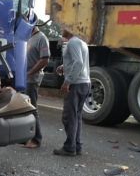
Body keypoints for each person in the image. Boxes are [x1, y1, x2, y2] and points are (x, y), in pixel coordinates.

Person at [53, 28, 90, 157]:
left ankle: (69, 147)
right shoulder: (81, 42)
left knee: (69, 117)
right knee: (77, 116)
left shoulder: (73, 42)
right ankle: (77, 145)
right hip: (84, 83)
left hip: (76, 84)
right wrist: (64, 67)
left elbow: (79, 63)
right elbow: (80, 61)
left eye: (64, 27)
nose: (62, 30)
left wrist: (67, 81)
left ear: (69, 29)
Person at [21, 21, 50, 149]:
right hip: (25, 79)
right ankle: (26, 137)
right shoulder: (29, 38)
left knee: (32, 109)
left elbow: (45, 59)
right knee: (25, 108)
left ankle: (36, 139)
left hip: (32, 79)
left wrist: (30, 72)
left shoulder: (41, 38)